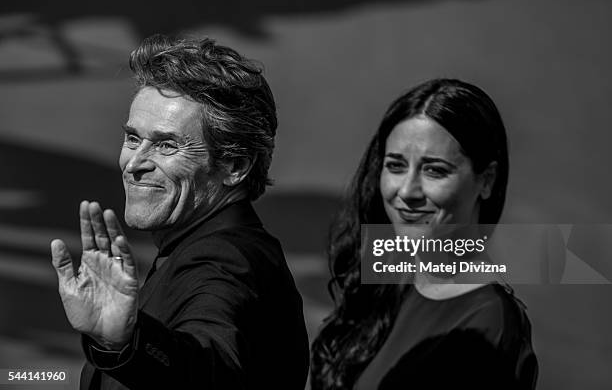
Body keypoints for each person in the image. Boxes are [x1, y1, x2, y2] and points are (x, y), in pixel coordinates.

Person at [50, 34, 309, 390]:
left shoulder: (225, 262)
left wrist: (129, 344)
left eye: (166, 145)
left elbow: (212, 367)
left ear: (234, 165)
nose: (134, 163)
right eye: (132, 138)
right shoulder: (201, 249)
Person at [310, 78, 538, 389]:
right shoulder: (386, 281)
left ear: (487, 180)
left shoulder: (490, 323)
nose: (407, 190)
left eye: (435, 170)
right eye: (395, 166)